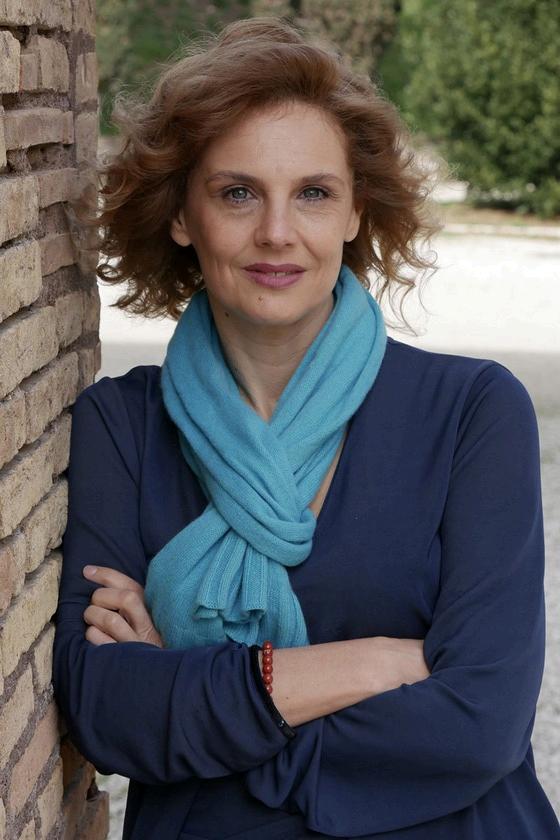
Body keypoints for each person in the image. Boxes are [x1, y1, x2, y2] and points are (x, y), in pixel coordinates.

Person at [52, 15, 560, 840]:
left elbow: (479, 726)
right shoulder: (122, 426)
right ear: (181, 215)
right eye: (237, 192)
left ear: (356, 212)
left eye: (314, 193)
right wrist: (377, 663)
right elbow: (107, 712)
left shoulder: (472, 412)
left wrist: (195, 691)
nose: (277, 232)